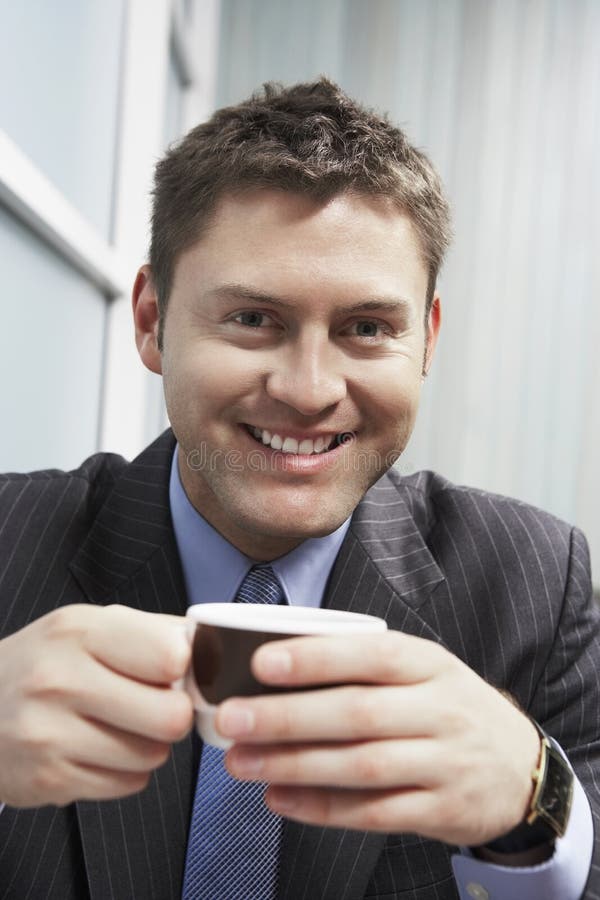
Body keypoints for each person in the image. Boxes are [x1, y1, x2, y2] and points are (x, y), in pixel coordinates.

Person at [0, 78, 598, 900]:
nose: (310, 389)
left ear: (424, 340)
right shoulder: (7, 541)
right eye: (253, 319)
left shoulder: (538, 585)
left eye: (365, 329)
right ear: (150, 320)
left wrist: (538, 802)